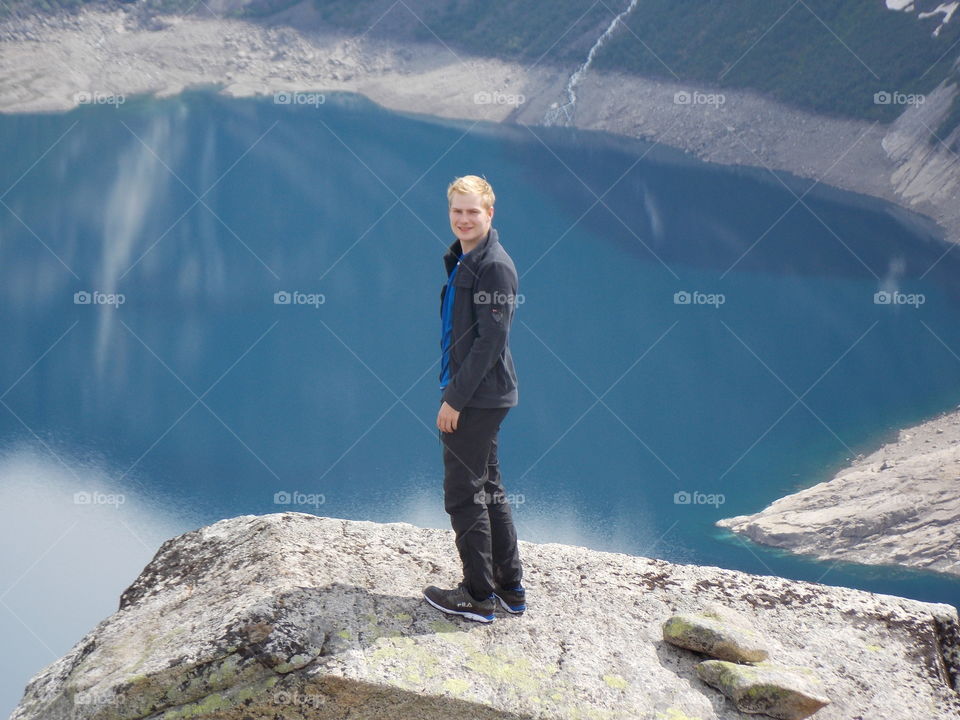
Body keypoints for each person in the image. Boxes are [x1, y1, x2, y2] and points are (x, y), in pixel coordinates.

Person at [422, 175, 526, 624]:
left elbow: (489, 343)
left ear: (490, 213)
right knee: (488, 489)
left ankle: (477, 596)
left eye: (473, 211)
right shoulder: (464, 259)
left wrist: (455, 401)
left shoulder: (494, 266)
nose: (463, 219)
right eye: (457, 211)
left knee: (464, 494)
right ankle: (509, 590)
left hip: (478, 397)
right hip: (480, 393)